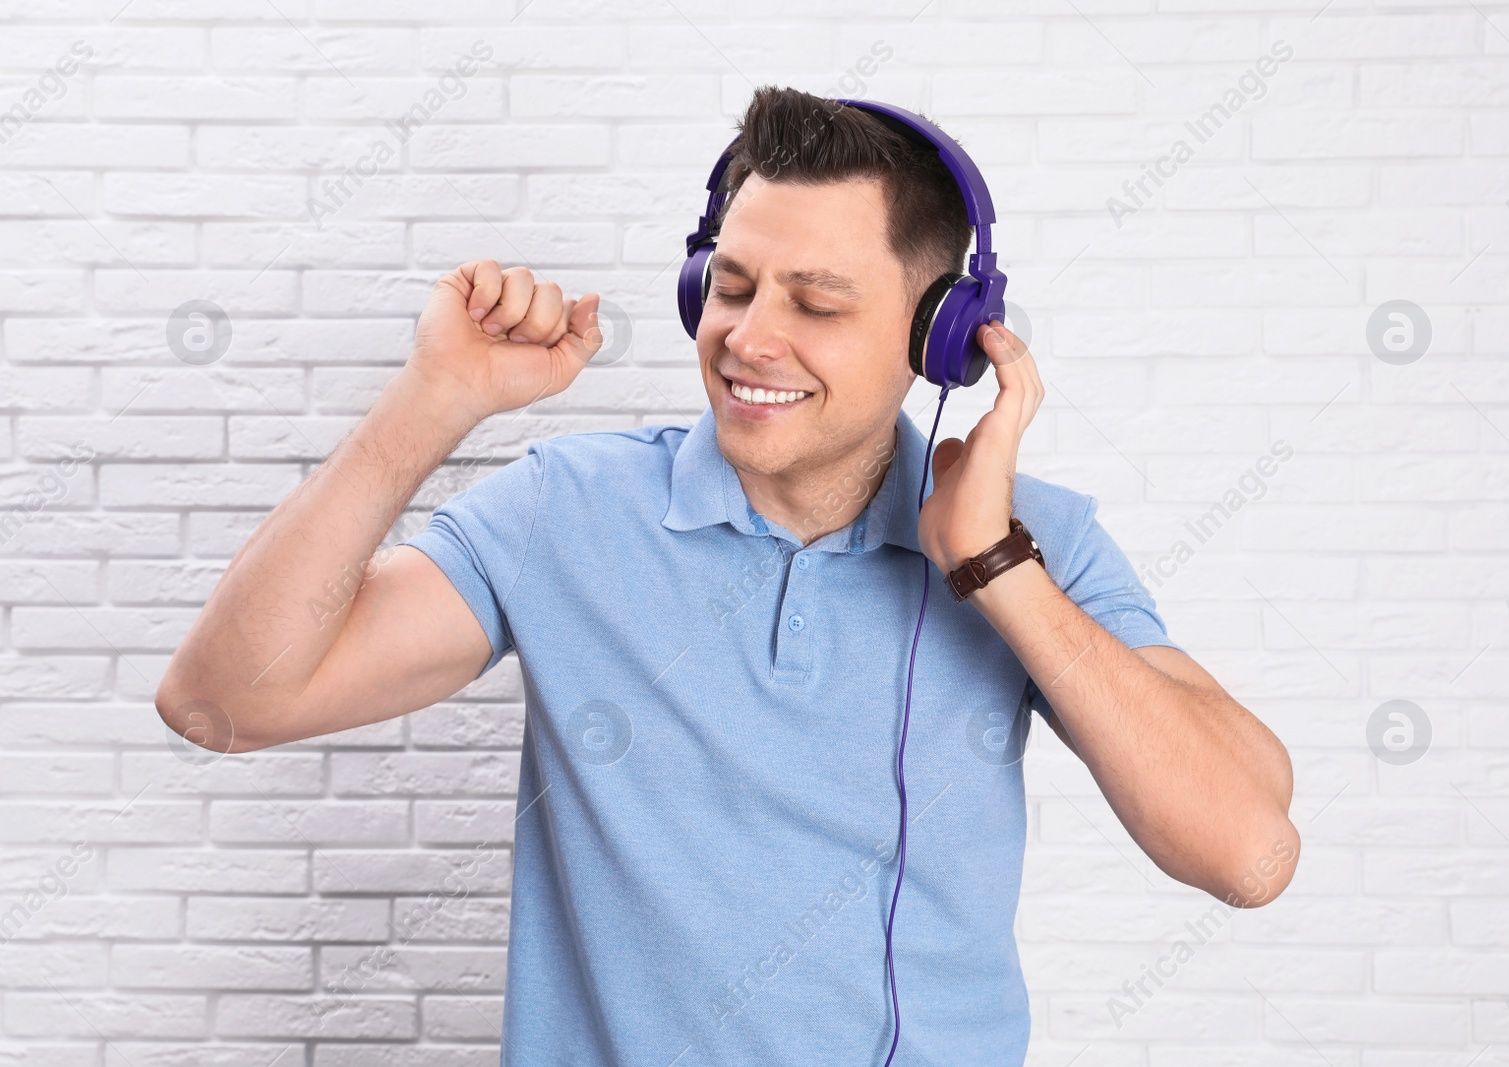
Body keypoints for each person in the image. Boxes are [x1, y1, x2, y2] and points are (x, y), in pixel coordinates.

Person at [157, 86, 1298, 1066]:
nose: (748, 335)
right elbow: (224, 701)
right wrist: (435, 402)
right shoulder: (568, 507)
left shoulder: (1029, 543)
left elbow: (1246, 854)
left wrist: (995, 566)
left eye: (815, 302)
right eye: (734, 284)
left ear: (939, 335)